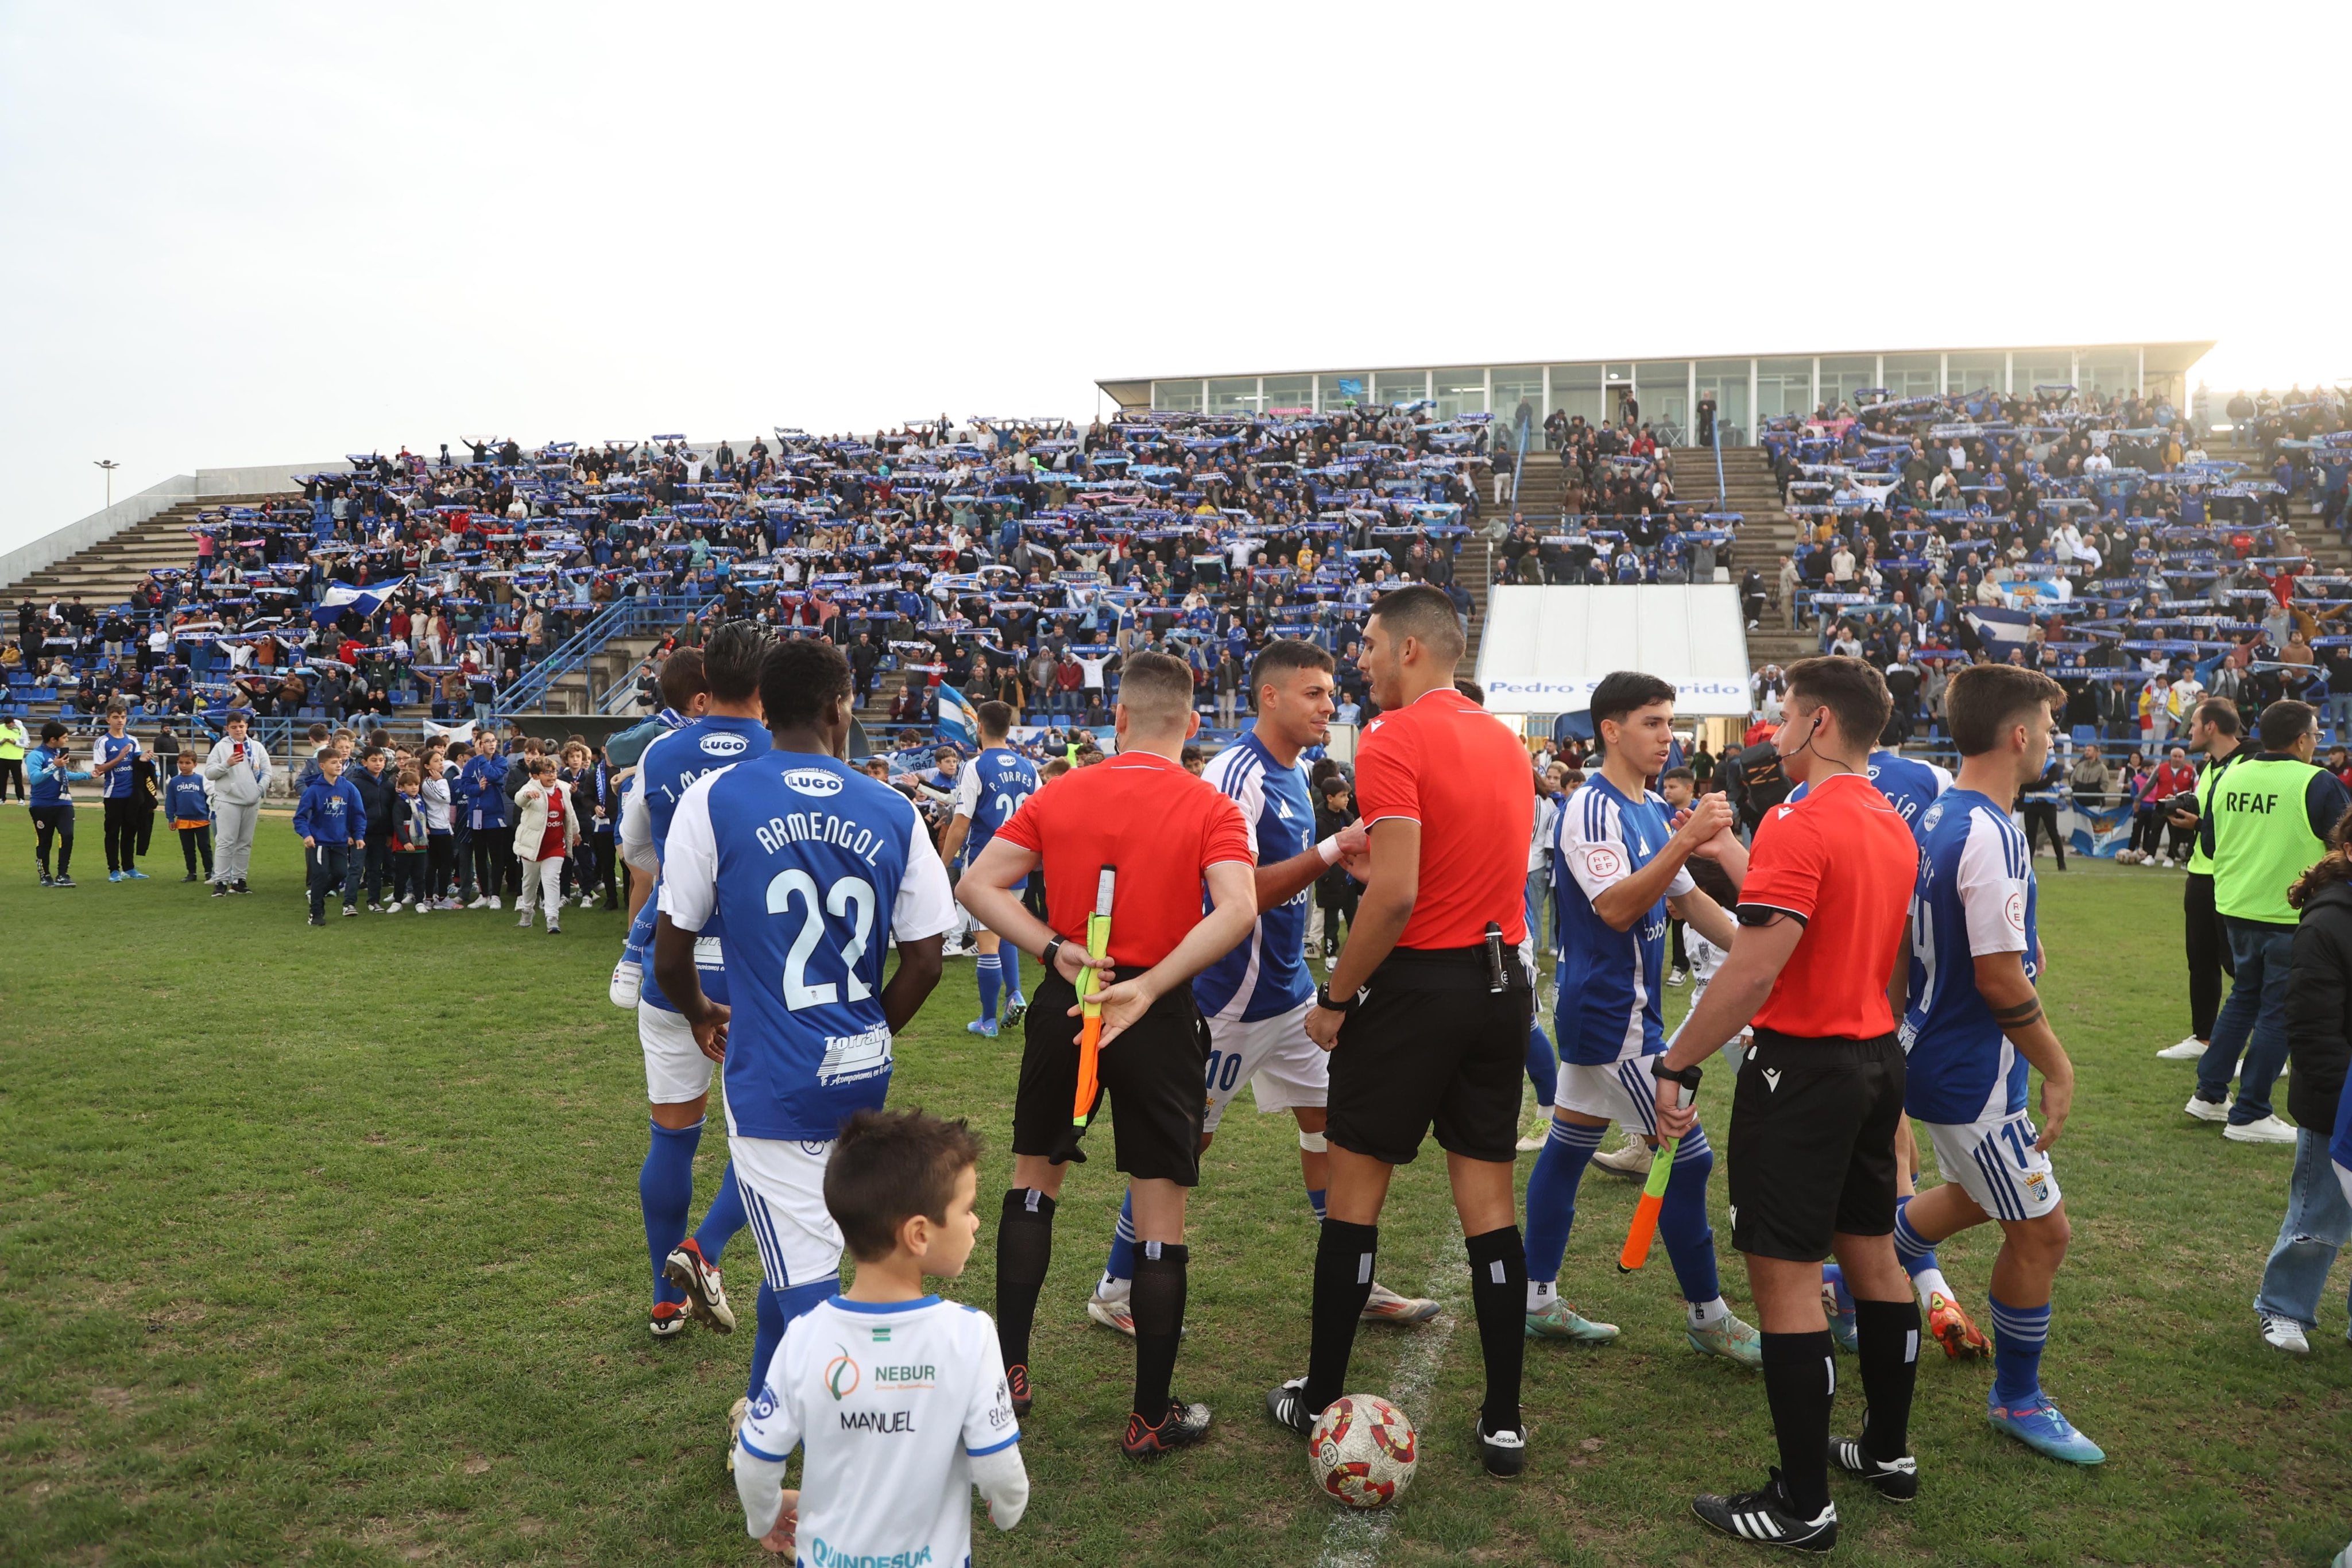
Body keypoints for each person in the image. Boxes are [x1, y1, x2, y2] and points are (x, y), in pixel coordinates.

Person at [650, 637, 954, 1466]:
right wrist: (869, 1031)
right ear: (838, 706)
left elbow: (669, 953)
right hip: (859, 1075)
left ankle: (847, 1452)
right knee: (806, 1253)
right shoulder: (892, 806)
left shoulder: (716, 798)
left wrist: (701, 1012)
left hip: (772, 1082)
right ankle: (764, 1421)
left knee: (818, 1290)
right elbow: (926, 957)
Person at [1259, 586, 1540, 1478]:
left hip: (1423, 980)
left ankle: (1322, 1394)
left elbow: (1399, 890)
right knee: (1488, 1206)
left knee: (1354, 1195)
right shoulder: (1506, 739)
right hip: (1505, 980)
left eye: (1373, 643)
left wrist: (1336, 997)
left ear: (1414, 649)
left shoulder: (1393, 737)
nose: (1363, 658)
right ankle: (1503, 1418)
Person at [1077, 640, 1434, 1337]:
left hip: (1289, 994)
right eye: (1314, 693)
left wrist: (1345, 862)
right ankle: (1116, 1288)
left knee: (1334, 1127)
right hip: (1228, 1002)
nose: (1329, 705)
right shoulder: (1233, 772)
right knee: (1182, 1149)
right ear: (1269, 696)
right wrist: (1334, 849)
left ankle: (1351, 1276)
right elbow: (1236, 895)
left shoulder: (1294, 770)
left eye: (1331, 692)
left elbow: (1287, 878)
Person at [1646, 655, 1922, 1553]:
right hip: (1872, 1055)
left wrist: (1679, 1061)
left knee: (1786, 1279)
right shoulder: (1887, 816)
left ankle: (1804, 1502)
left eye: (1785, 716)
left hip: (1802, 1068)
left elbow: (1759, 965)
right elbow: (1853, 942)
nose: (1771, 733)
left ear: (1821, 724)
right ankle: (1885, 1451)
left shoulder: (1806, 819)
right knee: (1874, 1255)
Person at [957, 649, 1256, 1458]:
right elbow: (1239, 908)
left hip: (1072, 1002)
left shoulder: (1063, 791)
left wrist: (1053, 948)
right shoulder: (1209, 803)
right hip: (1151, 1012)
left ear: (1116, 718)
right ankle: (1147, 1415)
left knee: (1033, 1182)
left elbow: (977, 885)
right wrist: (1153, 982)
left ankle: (1009, 1375)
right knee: (1160, 1211)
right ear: (1192, 726)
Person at [1890, 665, 2102, 1465]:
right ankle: (2018, 1395)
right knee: (2044, 1233)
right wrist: (2056, 1063)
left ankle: (1866, 1264)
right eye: (2047, 727)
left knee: (1980, 1198)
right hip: (1972, 1072)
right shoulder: (1992, 829)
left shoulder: (1939, 813)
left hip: (1932, 1050)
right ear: (2019, 735)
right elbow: (1998, 975)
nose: (2052, 740)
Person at [1521, 671, 1761, 1365]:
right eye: (1653, 722)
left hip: (1624, 1014)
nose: (1668, 735)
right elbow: (1617, 907)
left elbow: (1690, 905)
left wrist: (1760, 956)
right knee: (1690, 1162)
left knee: (1568, 1146)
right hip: (1612, 1016)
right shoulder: (1591, 809)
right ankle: (1708, 1316)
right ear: (1610, 730)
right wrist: (1686, 844)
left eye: (1670, 722)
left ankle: (1537, 1301)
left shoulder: (1652, 807)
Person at [731, 1108, 1026, 1563]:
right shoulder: (970, 1335)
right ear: (919, 1234)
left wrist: (765, 1515)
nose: (976, 1222)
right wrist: (1008, 1509)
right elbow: (999, 1467)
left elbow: (754, 1460)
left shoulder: (806, 1336)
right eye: (967, 1208)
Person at [624, 626, 769, 1341]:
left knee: (671, 1137)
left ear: (705, 678)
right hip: (756, 979)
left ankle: (665, 1296)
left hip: (675, 970)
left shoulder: (659, 752)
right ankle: (701, 1249)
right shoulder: (787, 752)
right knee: (774, 1141)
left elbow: (639, 854)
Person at [2188, 701, 2352, 1150]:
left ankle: (2209, 1092)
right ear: (2302, 739)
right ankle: (2251, 1110)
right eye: (2316, 736)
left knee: (2243, 998)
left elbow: (2210, 840)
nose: (2316, 743)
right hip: (2289, 911)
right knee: (2278, 1009)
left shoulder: (2229, 776)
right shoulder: (2317, 782)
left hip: (2237, 906)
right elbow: (2344, 843)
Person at [2257, 809, 2352, 1356]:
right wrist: (2338, 1100)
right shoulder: (2328, 922)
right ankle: (2284, 1308)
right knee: (2320, 1210)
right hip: (2338, 1098)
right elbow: (2313, 1024)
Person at [937, 702, 1040, 1039]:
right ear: (1010, 729)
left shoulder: (976, 766)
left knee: (987, 943)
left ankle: (987, 1020)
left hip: (985, 864)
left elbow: (961, 823)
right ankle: (1015, 993)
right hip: (1020, 865)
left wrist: (941, 864)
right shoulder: (1029, 767)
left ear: (979, 727)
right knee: (1004, 929)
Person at [2156, 700, 2245, 1061]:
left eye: (2193, 724)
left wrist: (2199, 826)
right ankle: (2203, 1037)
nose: (2188, 731)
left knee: (2239, 967)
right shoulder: (2210, 766)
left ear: (2211, 727)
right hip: (2201, 874)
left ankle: (2264, 1051)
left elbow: (2242, 828)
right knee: (2201, 960)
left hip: (2231, 877)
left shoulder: (2247, 765)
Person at [201, 710, 272, 896]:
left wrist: (258, 791)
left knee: (245, 842)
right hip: (228, 800)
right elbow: (209, 774)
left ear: (247, 726)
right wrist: (227, 764)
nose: (238, 730)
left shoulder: (256, 747)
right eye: (234, 727)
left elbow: (267, 772)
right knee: (226, 841)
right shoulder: (221, 747)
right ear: (227, 729)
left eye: (241, 726)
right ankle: (221, 881)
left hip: (251, 800)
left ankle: (239, 880)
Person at [293, 749, 366, 926]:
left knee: (341, 873)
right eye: (334, 763)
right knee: (320, 874)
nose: (339, 765)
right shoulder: (313, 791)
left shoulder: (349, 788)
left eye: (340, 762)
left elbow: (358, 814)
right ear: (322, 766)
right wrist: (307, 835)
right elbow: (300, 817)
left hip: (340, 841)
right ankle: (316, 914)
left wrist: (358, 835)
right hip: (319, 842)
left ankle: (316, 895)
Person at [512, 756, 579, 934]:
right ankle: (527, 912)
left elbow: (570, 814)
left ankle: (552, 919)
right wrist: (527, 795)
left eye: (554, 771)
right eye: (547, 773)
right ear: (535, 776)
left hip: (555, 846)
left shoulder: (563, 789)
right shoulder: (529, 788)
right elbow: (519, 799)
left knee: (551, 880)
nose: (552, 776)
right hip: (533, 846)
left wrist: (576, 832)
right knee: (529, 883)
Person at [28, 721, 89, 887]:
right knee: (44, 841)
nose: (67, 740)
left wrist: (88, 775)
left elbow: (63, 775)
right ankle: (45, 875)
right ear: (53, 739)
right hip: (42, 805)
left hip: (64, 803)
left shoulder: (58, 754)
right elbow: (34, 779)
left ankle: (63, 875)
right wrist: (54, 766)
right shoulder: (36, 755)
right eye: (64, 737)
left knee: (68, 835)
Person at [91, 703, 146, 881]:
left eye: (122, 717)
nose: (120, 720)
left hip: (132, 795)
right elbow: (99, 769)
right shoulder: (103, 742)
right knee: (113, 833)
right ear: (108, 720)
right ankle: (114, 870)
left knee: (130, 832)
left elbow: (138, 763)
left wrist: (145, 759)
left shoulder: (133, 740)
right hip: (114, 794)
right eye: (116, 717)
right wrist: (120, 757)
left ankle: (129, 868)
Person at [163, 749, 213, 882]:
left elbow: (208, 800)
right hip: (183, 821)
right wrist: (170, 818)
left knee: (205, 847)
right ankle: (192, 873)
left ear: (195, 764)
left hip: (201, 820)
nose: (183, 766)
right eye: (181, 763)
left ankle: (209, 872)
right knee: (188, 849)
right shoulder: (174, 782)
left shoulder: (201, 780)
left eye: (187, 763)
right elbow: (170, 801)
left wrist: (209, 814)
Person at [0, 713, 27, 802]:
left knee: (18, 780)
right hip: (2, 757)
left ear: (13, 723)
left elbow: (25, 744)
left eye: (10, 726)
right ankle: (1, 798)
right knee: (2, 780)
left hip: (16, 758)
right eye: (7, 726)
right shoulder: (1, 728)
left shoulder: (21, 729)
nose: (9, 728)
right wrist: (2, 742)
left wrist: (15, 743)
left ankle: (21, 798)